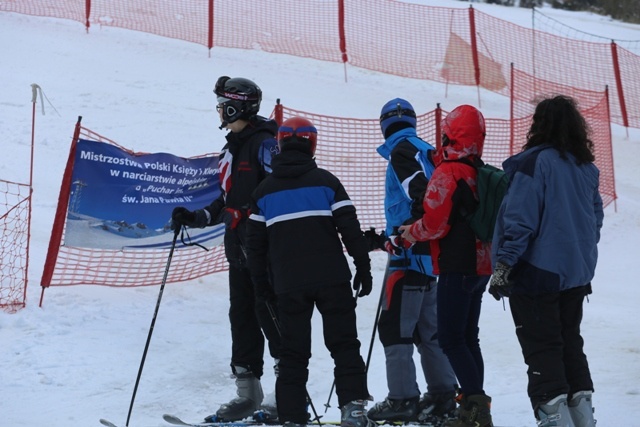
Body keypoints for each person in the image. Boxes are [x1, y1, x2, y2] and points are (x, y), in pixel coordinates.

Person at [244, 116, 375, 427]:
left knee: (292, 354)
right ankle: (353, 412)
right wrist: (363, 267)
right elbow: (350, 230)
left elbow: (254, 247)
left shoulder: (263, 193)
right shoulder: (327, 182)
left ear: (280, 145)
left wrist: (261, 286)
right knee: (344, 344)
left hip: (288, 284)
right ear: (311, 145)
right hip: (333, 278)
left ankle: (292, 417)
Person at [171, 76, 281, 422]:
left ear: (236, 105)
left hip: (263, 251)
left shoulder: (265, 143)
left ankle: (287, 395)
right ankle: (247, 395)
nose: (218, 109)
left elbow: (279, 190)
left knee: (272, 318)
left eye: (222, 103)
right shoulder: (231, 146)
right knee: (242, 318)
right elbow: (228, 199)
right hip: (238, 250)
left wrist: (258, 225)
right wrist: (197, 216)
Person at [488, 95, 602, 427]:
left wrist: (505, 265)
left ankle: (555, 418)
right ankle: (582, 417)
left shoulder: (533, 163)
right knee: (569, 345)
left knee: (543, 350)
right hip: (574, 275)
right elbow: (593, 221)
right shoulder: (586, 168)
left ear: (539, 125)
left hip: (537, 274)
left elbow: (520, 220)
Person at [363, 98, 457, 425]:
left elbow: (421, 193)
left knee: (395, 329)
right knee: (427, 329)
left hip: (409, 258)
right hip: (429, 257)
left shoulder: (402, 151)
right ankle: (444, 395)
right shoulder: (426, 150)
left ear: (385, 124)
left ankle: (402, 399)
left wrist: (407, 234)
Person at [400, 105, 493, 427]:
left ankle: (475, 412)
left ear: (447, 134)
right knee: (468, 337)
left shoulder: (449, 171)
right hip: (481, 264)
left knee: (451, 338)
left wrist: (410, 233)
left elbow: (436, 224)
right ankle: (475, 408)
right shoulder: (478, 170)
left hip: (457, 263)